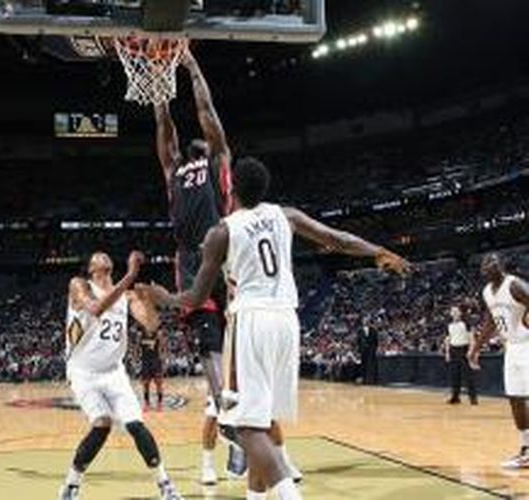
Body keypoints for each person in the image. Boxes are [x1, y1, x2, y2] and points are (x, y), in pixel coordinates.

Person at [141, 157, 410, 499]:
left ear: (230, 189)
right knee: (264, 420)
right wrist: (379, 251)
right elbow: (335, 238)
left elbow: (196, 296)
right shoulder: (287, 216)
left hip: (251, 321)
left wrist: (163, 297)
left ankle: (288, 495)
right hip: (287, 320)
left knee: (245, 426)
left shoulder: (221, 231)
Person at [153, 47, 249, 483]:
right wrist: (177, 75)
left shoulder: (193, 164)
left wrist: (172, 79)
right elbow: (188, 118)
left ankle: (230, 415)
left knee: (217, 347)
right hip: (207, 253)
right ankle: (229, 417)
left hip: (206, 254)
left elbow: (176, 123)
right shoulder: (201, 162)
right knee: (216, 345)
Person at [58, 251, 182, 500]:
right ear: (91, 268)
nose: (102, 256)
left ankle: (165, 486)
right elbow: (95, 308)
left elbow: (151, 324)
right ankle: (71, 485)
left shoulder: (126, 295)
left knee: (136, 424)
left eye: (105, 255)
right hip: (83, 371)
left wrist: (147, 298)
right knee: (102, 424)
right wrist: (130, 276)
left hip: (114, 372)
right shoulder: (79, 285)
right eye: (96, 256)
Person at [468, 253, 529, 468]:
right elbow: (491, 321)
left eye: (491, 262)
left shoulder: (515, 285)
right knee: (515, 398)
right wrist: (475, 348)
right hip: (511, 348)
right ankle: (526, 449)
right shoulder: (487, 292)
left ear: (501, 265)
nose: (486, 266)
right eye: (483, 263)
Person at [444, 305, 477, 405]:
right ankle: (455, 397)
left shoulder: (466, 323)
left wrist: (471, 351)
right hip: (453, 350)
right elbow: (448, 339)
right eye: (452, 311)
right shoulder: (448, 325)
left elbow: (471, 338)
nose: (454, 313)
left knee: (468, 375)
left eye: (456, 311)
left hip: (464, 349)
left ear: (460, 313)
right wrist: (447, 352)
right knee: (455, 375)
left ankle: (473, 398)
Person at [140, 328, 166, 411]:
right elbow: (137, 348)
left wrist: (164, 361)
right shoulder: (141, 334)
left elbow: (163, 348)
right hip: (145, 361)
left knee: (159, 383)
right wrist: (135, 358)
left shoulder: (158, 334)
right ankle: (147, 403)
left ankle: (160, 403)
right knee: (145, 383)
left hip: (156, 361)